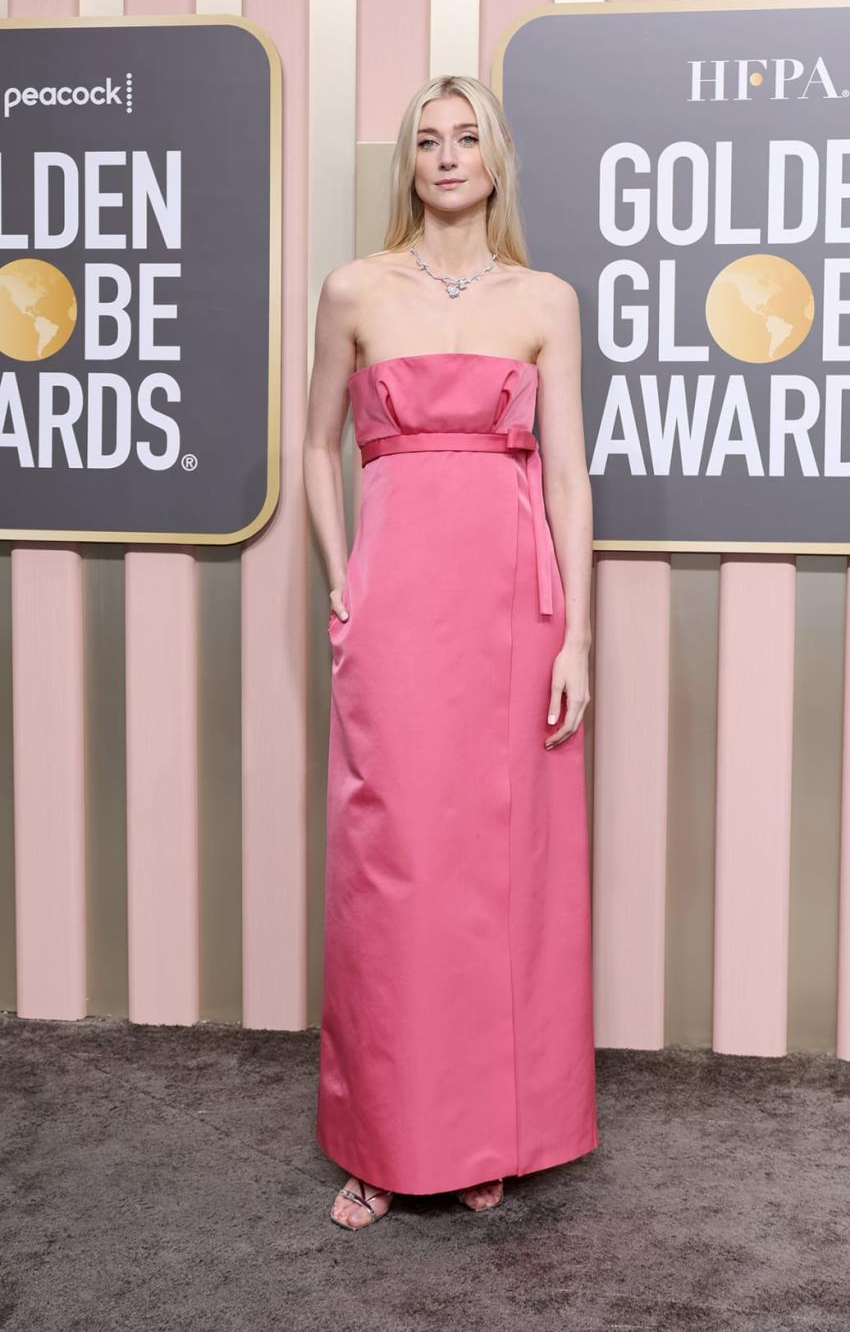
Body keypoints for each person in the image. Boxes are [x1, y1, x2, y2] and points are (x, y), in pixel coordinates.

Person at [302, 73, 598, 1231]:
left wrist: (578, 628)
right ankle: (382, 1140)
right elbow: (316, 450)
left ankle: (482, 1130)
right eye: (428, 139)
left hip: (512, 608)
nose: (447, 154)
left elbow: (569, 474)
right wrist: (343, 582)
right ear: (409, 165)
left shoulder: (544, 300)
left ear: (495, 159)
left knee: (495, 870)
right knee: (394, 865)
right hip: (398, 601)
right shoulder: (354, 290)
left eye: (468, 137)